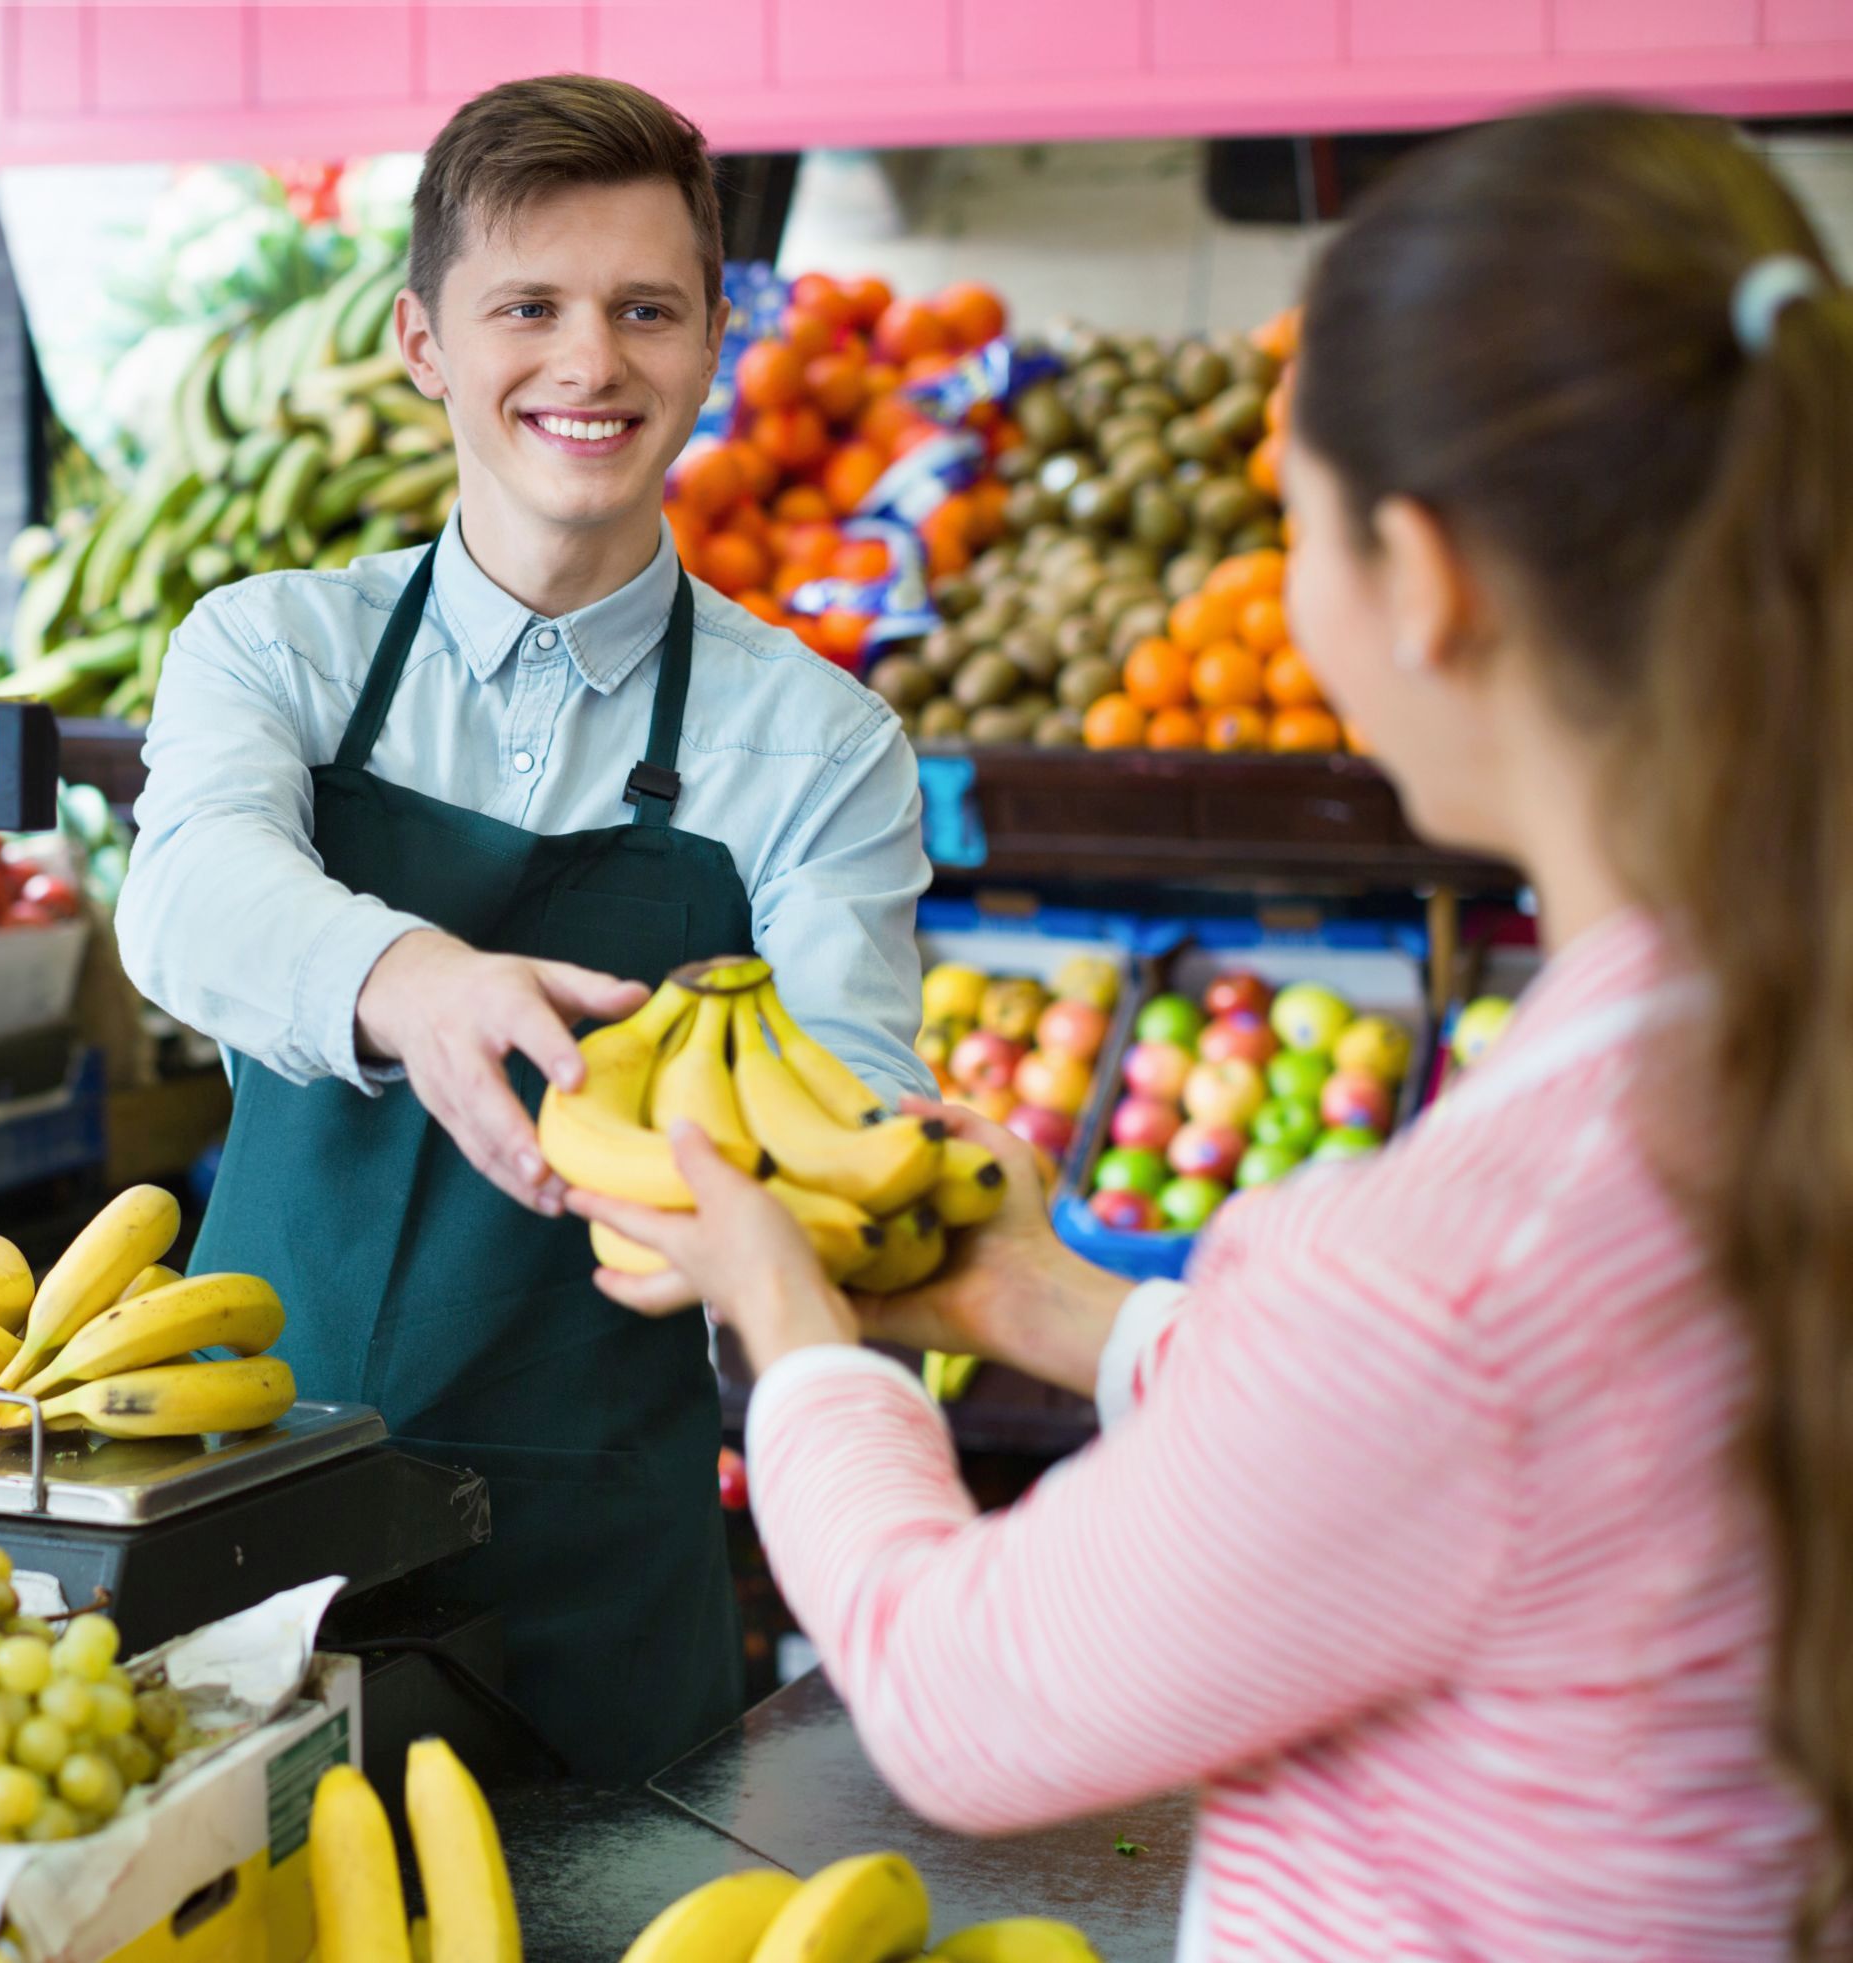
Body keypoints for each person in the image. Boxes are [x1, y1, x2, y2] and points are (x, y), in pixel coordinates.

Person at [575, 104, 1848, 1954]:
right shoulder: (1741, 1068)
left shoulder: (1443, 1267)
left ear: (1422, 577)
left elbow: (967, 1695)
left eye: (1294, 512)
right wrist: (1057, 1309)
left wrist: (791, 1335)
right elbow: (1477, 1459)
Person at [120, 75, 933, 1779]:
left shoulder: (820, 743)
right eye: (530, 309)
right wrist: (412, 980)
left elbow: (850, 1104)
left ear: (716, 336)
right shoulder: (275, 649)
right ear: (425, 341)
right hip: (245, 1501)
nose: (590, 362)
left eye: (646, 308)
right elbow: (187, 892)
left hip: (599, 1565)